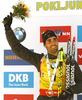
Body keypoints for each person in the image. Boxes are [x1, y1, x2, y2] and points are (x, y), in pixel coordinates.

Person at [3, 13, 82, 100]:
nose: (53, 43)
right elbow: (18, 49)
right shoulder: (40, 60)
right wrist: (8, 30)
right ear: (44, 45)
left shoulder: (68, 60)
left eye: (55, 39)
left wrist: (70, 91)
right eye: (49, 41)